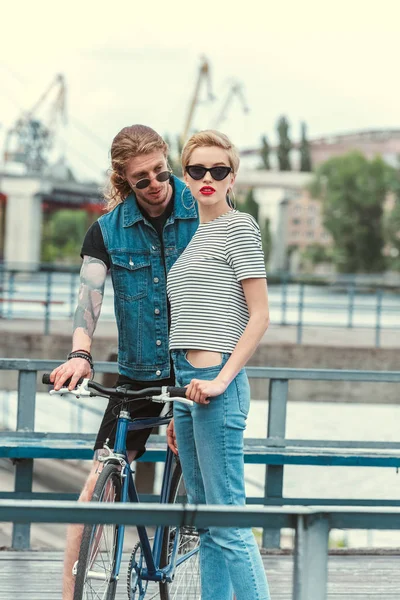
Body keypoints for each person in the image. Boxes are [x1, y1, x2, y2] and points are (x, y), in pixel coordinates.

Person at [50, 124, 198, 600]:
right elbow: (88, 298)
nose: (156, 185)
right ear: (123, 181)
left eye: (161, 172)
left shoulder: (205, 212)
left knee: (214, 489)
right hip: (136, 374)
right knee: (97, 483)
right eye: (142, 179)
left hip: (196, 372)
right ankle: (71, 594)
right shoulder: (106, 231)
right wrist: (79, 354)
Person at [167, 130, 271, 600]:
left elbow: (261, 315)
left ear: (233, 178)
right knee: (206, 524)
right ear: (185, 177)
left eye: (219, 170)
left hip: (217, 388)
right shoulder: (196, 236)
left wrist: (221, 380)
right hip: (187, 392)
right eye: (197, 170)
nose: (207, 178)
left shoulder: (238, 227)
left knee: (228, 524)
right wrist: (176, 404)